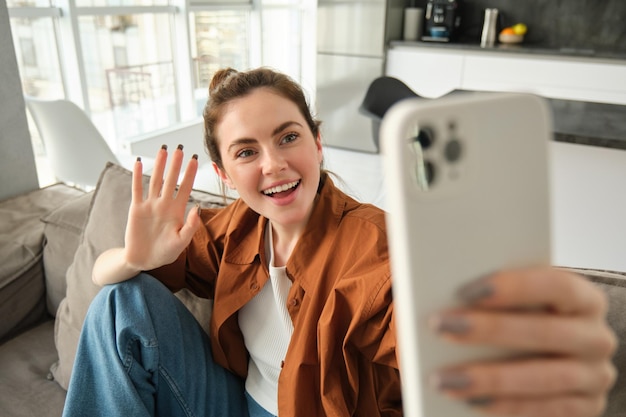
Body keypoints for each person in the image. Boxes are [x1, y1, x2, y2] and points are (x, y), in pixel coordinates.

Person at [62, 67, 617, 417]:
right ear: (224, 173)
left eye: (288, 137)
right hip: (234, 401)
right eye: (247, 151)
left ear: (318, 142)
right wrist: (133, 258)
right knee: (120, 300)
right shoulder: (233, 227)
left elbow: (428, 335)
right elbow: (107, 281)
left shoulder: (373, 244)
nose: (275, 164)